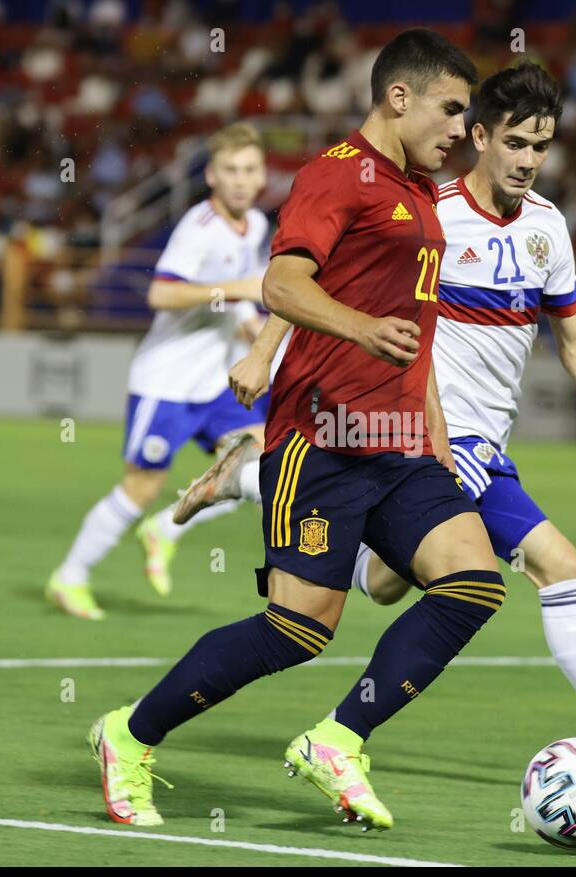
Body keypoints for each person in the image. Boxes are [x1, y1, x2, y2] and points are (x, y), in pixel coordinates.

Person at [183, 62, 576, 792]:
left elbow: (571, 342)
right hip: (430, 431)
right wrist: (260, 348)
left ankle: (251, 475)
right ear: (478, 135)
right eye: (516, 142)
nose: (530, 159)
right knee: (555, 566)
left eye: (543, 145)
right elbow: (312, 273)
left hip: (480, 445)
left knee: (382, 586)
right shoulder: (427, 209)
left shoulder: (548, 230)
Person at [87, 29, 499, 831]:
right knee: (298, 629)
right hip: (322, 442)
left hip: (402, 444)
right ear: (399, 97)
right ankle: (129, 735)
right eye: (452, 110)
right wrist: (357, 329)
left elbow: (417, 329)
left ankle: (340, 737)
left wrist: (435, 427)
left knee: (474, 582)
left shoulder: (419, 193)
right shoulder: (334, 175)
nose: (461, 129)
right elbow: (282, 280)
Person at [45, 122, 270, 619]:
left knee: (264, 461)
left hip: (216, 381)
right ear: (210, 176)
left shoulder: (253, 226)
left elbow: (244, 303)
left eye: (249, 170)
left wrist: (261, 341)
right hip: (166, 382)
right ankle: (70, 576)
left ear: (261, 178)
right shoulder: (197, 229)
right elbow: (161, 294)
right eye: (229, 170)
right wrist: (239, 289)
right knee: (140, 486)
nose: (239, 179)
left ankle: (167, 527)